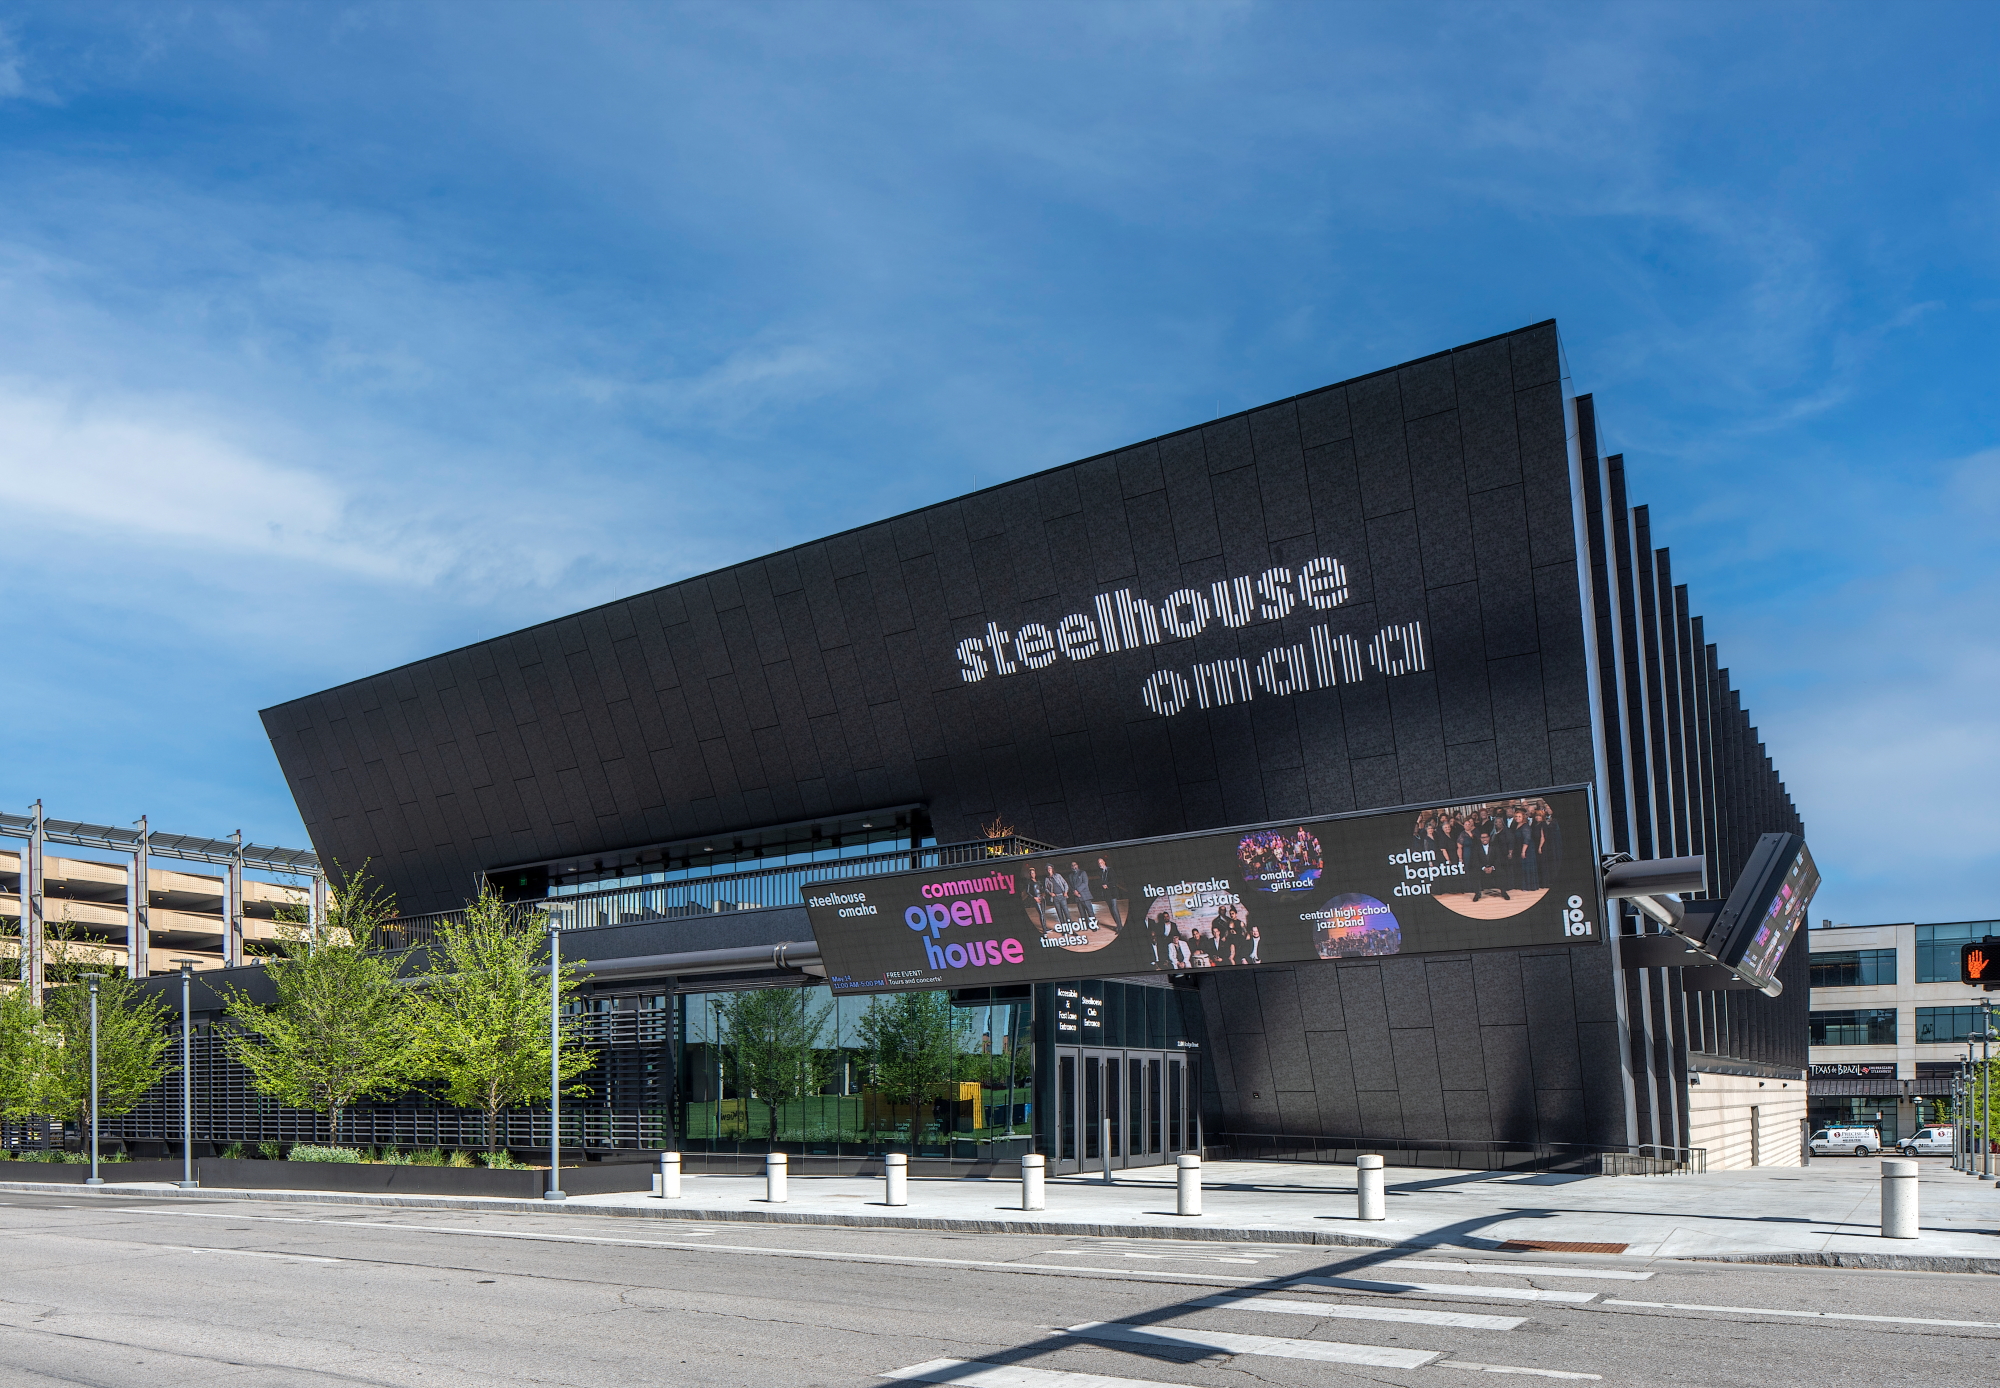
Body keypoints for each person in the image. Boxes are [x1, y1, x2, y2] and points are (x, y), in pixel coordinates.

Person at [1471, 830, 1510, 902]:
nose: (1484, 839)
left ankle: (1503, 892)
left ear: (1489, 838)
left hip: (1493, 867)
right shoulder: (1476, 848)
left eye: (1486, 837)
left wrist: (1492, 867)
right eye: (1482, 838)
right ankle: (1477, 894)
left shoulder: (1495, 846)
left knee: (1501, 872)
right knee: (1475, 873)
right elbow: (1475, 860)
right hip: (1482, 868)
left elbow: (1498, 859)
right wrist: (1484, 868)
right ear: (1480, 839)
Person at [1095, 856, 1126, 929]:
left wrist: (1107, 885)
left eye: (1101, 862)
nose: (1100, 864)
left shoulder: (1110, 870)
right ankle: (1118, 926)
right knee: (1111, 911)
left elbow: (1115, 880)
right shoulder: (1100, 872)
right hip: (1106, 894)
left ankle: (1120, 927)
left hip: (1112, 893)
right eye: (1099, 863)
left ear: (1104, 862)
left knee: (1115, 910)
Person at [1068, 860, 1097, 930]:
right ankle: (1086, 925)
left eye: (1075, 865)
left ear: (1077, 865)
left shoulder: (1082, 873)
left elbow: (1085, 883)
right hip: (1077, 897)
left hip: (1085, 896)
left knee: (1090, 912)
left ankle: (1093, 926)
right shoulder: (1070, 875)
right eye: (1072, 865)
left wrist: (1077, 891)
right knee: (1082, 913)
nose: (1073, 866)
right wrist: (1074, 892)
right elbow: (1070, 886)